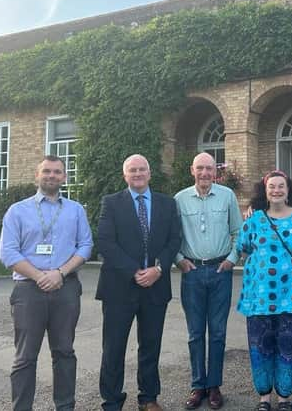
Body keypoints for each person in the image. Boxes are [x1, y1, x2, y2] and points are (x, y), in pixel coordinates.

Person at [0, 155, 93, 411]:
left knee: (64, 352)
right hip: (28, 290)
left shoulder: (76, 210)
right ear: (37, 175)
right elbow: (8, 252)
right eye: (47, 171)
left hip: (66, 288)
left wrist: (60, 273)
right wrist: (40, 276)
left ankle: (65, 406)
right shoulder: (17, 211)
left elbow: (85, 246)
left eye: (57, 172)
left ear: (64, 177)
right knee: (25, 357)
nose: (52, 176)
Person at [96, 154, 181, 411]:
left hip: (156, 286)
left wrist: (158, 268)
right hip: (119, 287)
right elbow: (105, 242)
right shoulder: (111, 203)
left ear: (149, 173)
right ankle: (111, 401)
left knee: (151, 345)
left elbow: (174, 240)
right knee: (114, 347)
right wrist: (135, 271)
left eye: (142, 169)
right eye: (132, 170)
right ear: (125, 175)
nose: (137, 174)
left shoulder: (167, 204)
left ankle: (149, 397)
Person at [236, 171, 292, 411]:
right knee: (260, 347)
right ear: (266, 190)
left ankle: (284, 398)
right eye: (272, 186)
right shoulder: (255, 219)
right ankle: (264, 398)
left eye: (281, 186)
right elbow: (243, 247)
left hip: (290, 297)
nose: (277, 190)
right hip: (258, 298)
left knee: (288, 347)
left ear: (288, 190)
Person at [174, 152, 243, 410]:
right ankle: (197, 385)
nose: (205, 173)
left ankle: (214, 385)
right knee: (194, 333)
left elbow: (238, 231)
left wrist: (233, 259)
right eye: (200, 168)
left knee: (218, 332)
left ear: (216, 172)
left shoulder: (227, 196)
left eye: (209, 169)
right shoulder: (180, 199)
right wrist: (179, 259)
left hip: (219, 272)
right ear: (192, 170)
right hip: (191, 272)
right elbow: (173, 236)